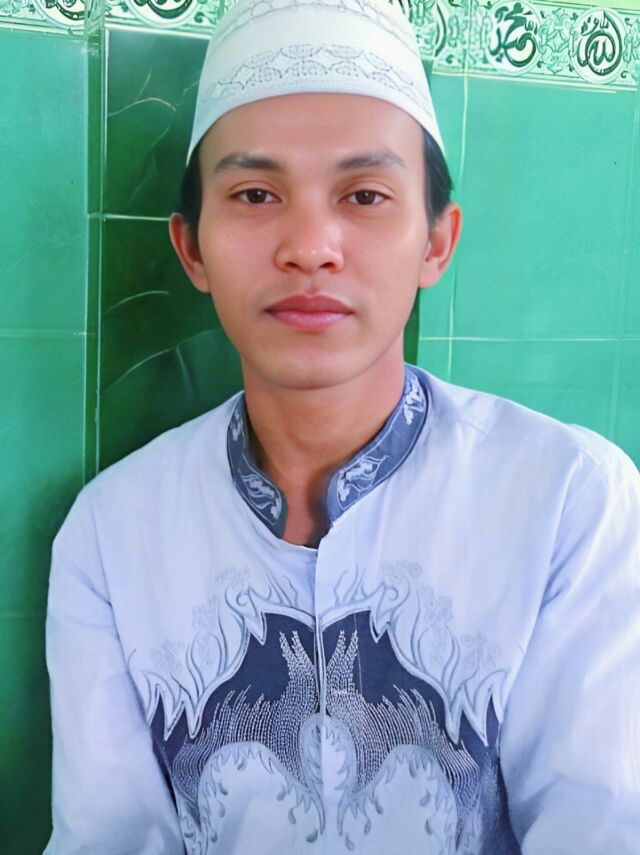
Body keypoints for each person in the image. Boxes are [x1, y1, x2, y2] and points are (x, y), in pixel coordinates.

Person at [44, 0, 640, 852]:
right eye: (256, 194)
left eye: (364, 195)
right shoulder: (111, 533)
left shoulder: (570, 501)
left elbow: (604, 828)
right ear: (193, 248)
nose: (311, 245)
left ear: (436, 242)